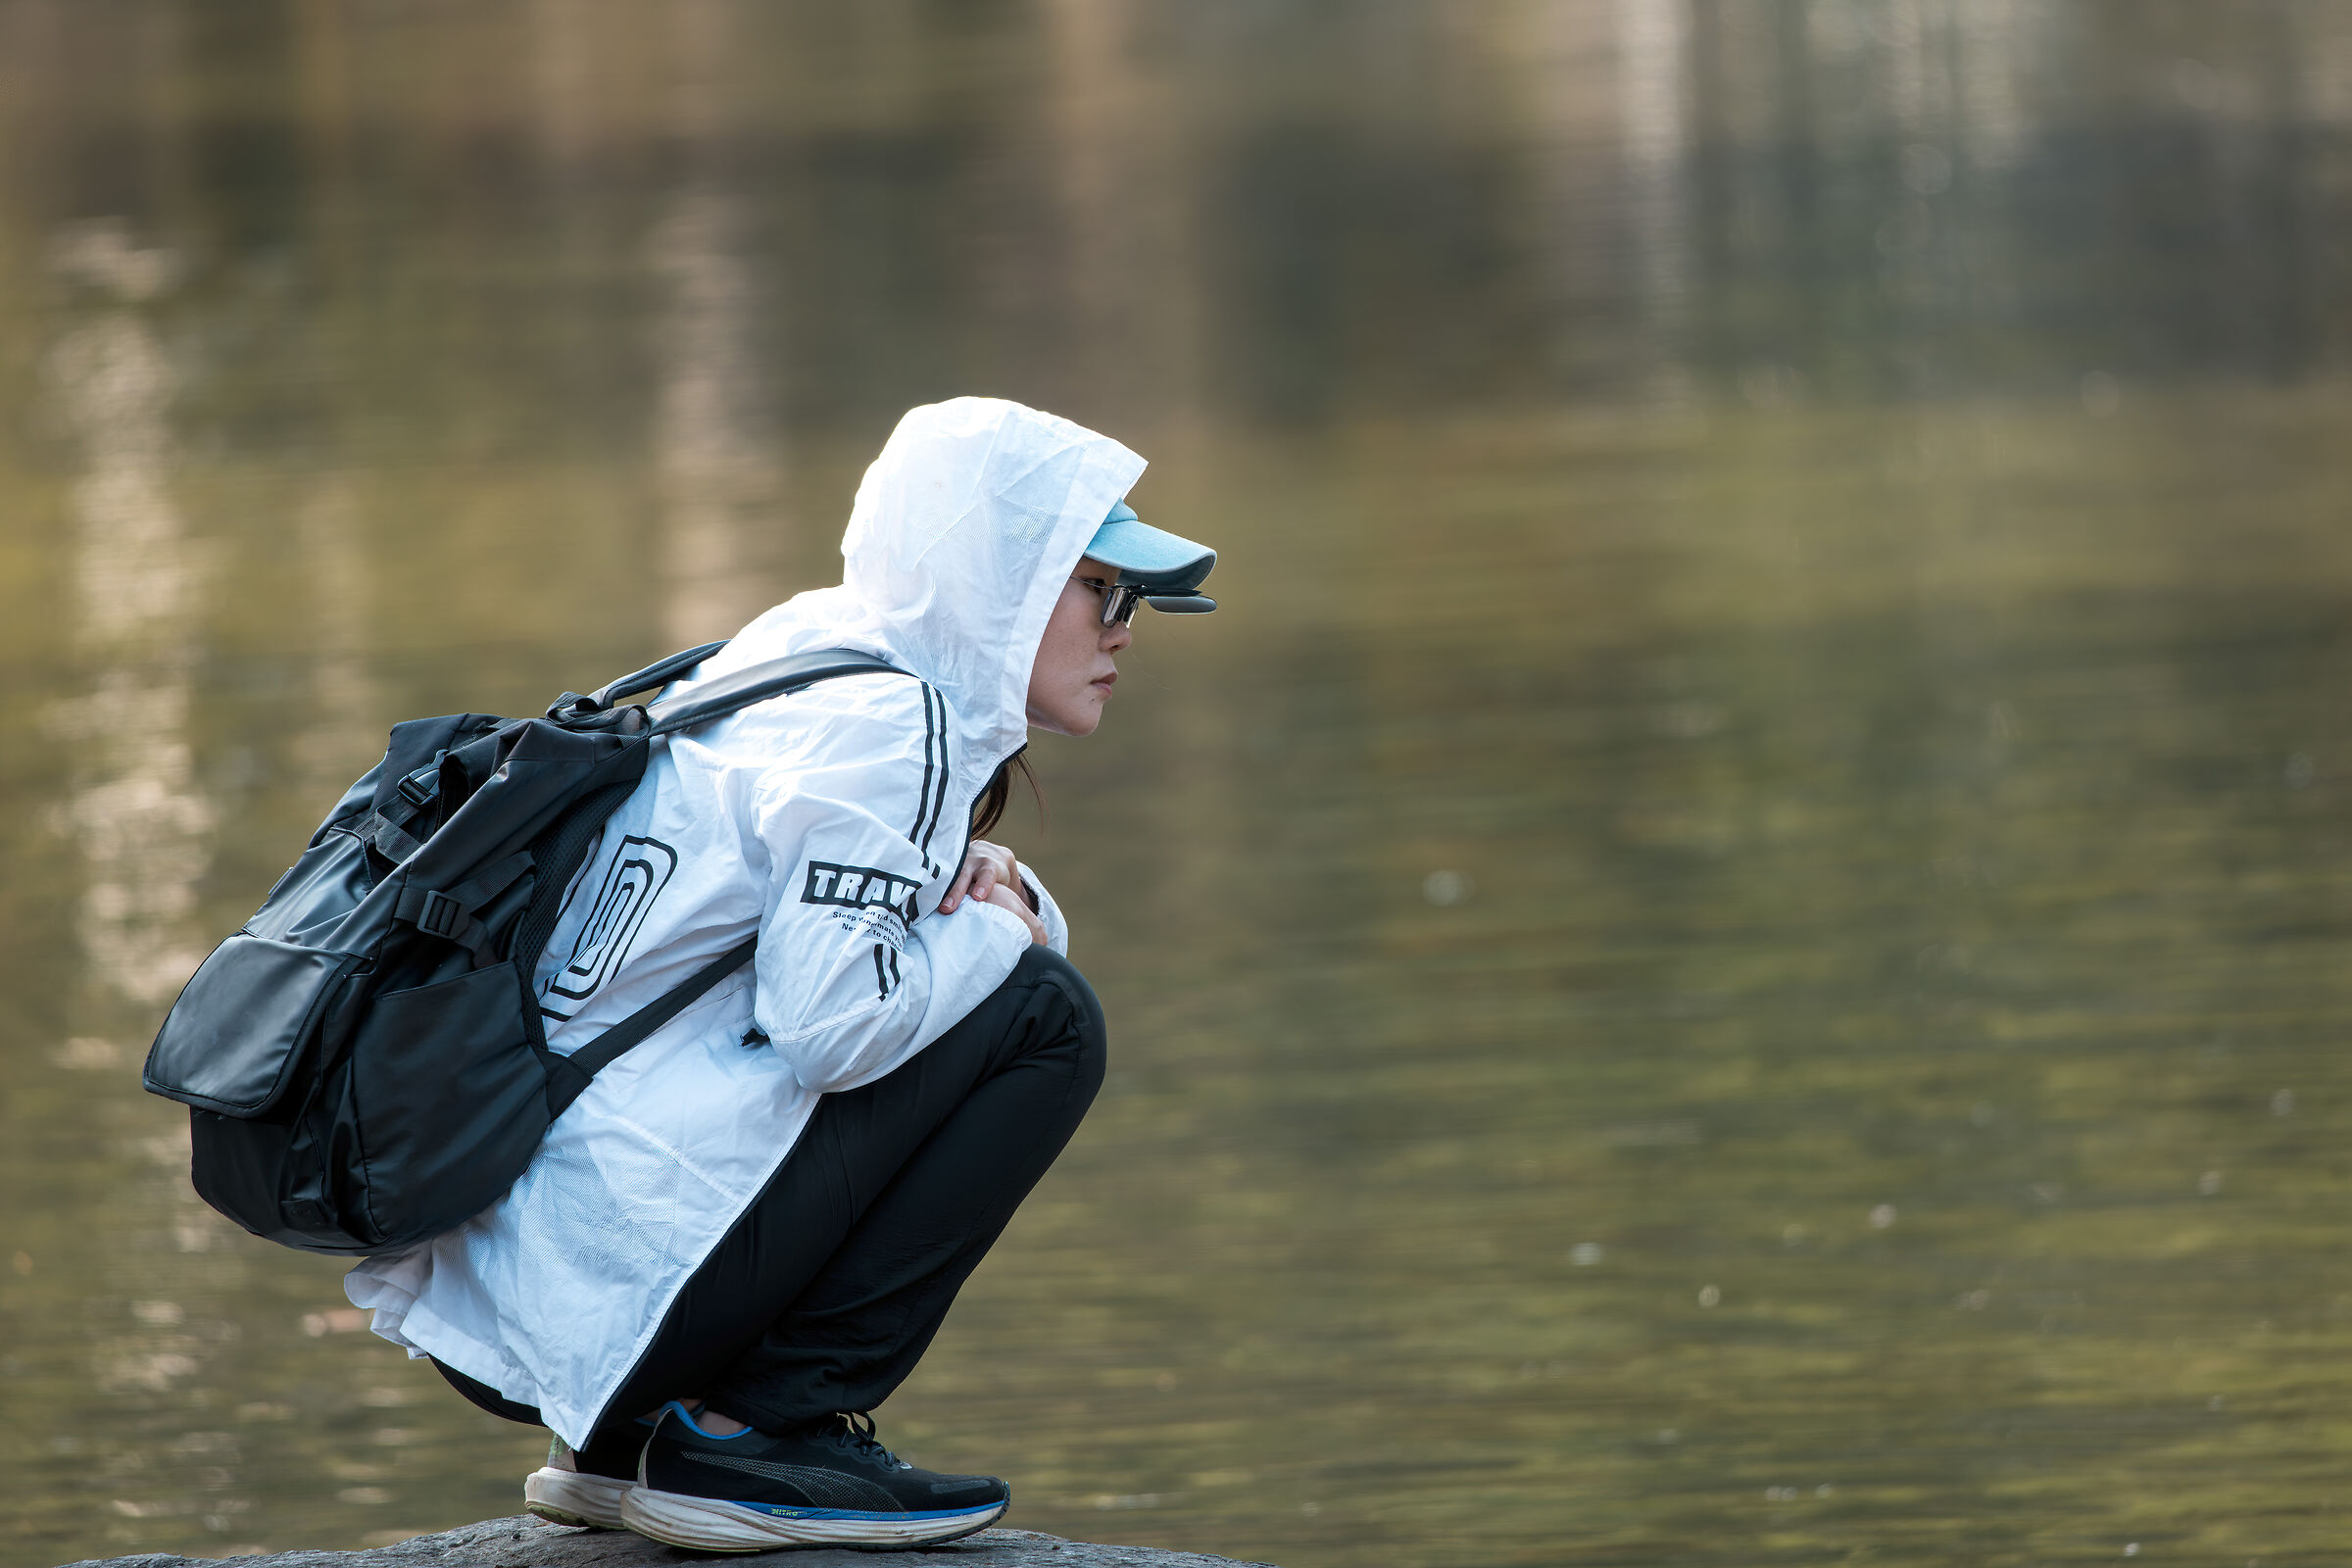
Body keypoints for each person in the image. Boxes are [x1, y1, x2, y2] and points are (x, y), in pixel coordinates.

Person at [343, 398, 1216, 1552]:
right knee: (1044, 1019)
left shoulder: (801, 651)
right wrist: (1012, 931)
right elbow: (831, 1030)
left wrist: (992, 888)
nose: (1125, 630)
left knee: (998, 987)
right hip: (613, 1278)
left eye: (1136, 602)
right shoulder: (890, 722)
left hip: (537, 1272)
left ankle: (621, 1448)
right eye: (1103, 590)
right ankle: (753, 1428)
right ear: (1001, 582)